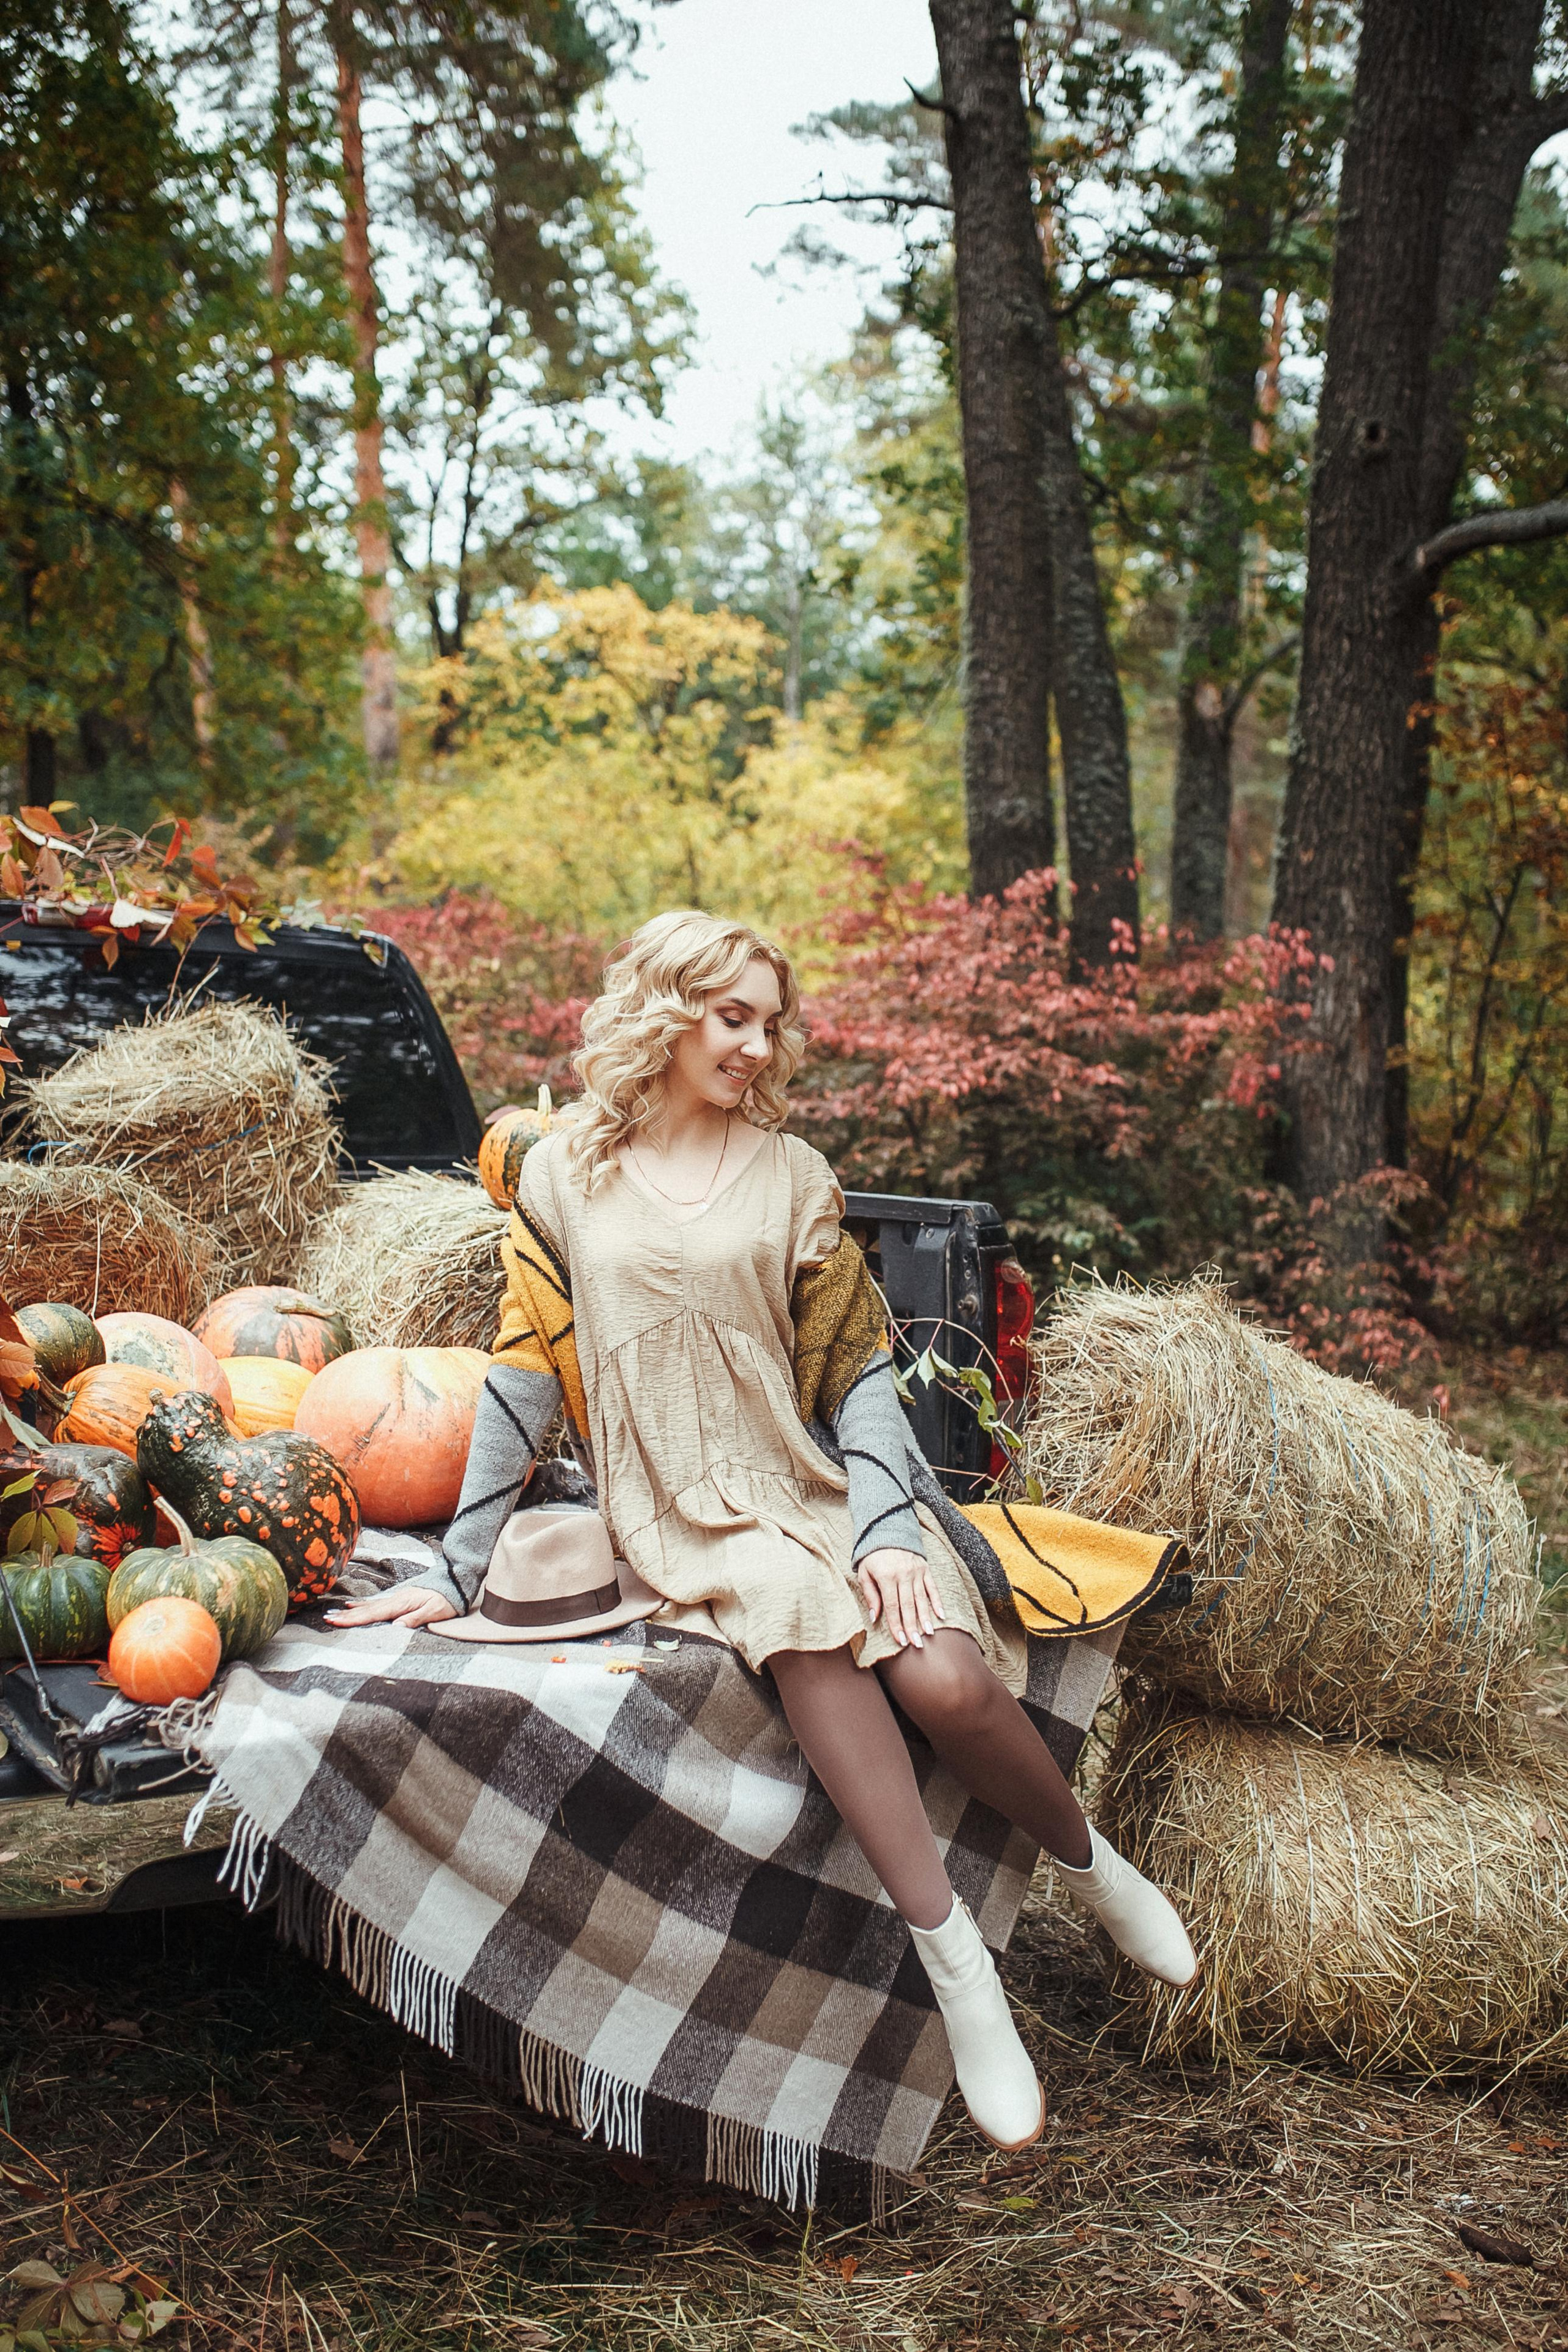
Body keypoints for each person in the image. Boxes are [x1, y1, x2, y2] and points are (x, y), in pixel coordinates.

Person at [328, 910, 1196, 2152]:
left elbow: (855, 1378)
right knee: (795, 1615)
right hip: (683, 1509)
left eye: (767, 1021)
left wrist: (891, 1531)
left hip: (810, 1481)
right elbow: (523, 1372)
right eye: (729, 1014)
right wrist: (462, 1561)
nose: (754, 1042)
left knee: (946, 1678)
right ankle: (955, 1969)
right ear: (664, 1010)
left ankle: (1090, 1868)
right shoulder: (562, 1173)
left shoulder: (793, 1176)